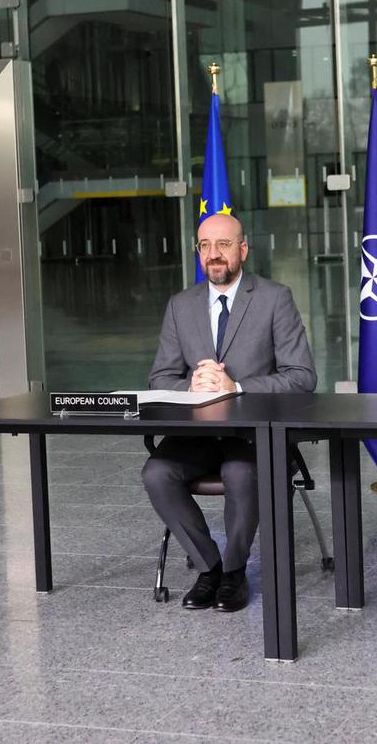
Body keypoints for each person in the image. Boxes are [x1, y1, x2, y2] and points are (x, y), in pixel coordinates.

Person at [141, 213, 316, 613]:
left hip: (255, 434)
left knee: (240, 472)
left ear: (243, 249)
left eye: (223, 244)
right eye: (205, 245)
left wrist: (236, 386)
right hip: (198, 434)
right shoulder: (181, 305)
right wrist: (191, 385)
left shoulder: (275, 298)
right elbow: (159, 378)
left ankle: (235, 571)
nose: (213, 254)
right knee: (156, 472)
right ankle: (210, 567)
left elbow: (302, 376)